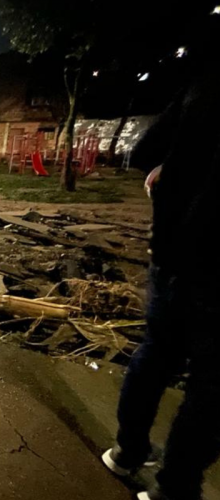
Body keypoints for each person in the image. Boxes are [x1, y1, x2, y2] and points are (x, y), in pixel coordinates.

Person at [101, 22, 220, 500]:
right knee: (212, 387)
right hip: (214, 268)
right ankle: (175, 488)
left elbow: (143, 151)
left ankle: (128, 451)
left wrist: (170, 171)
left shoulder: (203, 85)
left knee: (157, 354)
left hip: (169, 254)